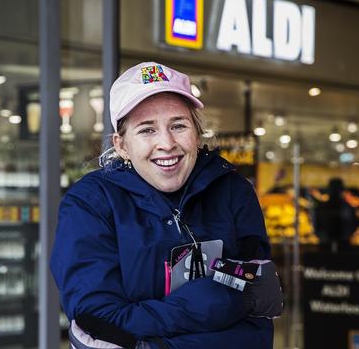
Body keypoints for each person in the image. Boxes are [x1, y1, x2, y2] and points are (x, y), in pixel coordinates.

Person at [50, 62, 282, 349]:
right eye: (147, 130)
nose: (167, 143)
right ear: (122, 145)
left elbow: (260, 303)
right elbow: (97, 321)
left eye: (178, 125)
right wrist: (215, 303)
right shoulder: (91, 203)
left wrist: (149, 340)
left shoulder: (232, 191)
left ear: (196, 134)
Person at [314, 177, 358, 252]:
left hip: (339, 240)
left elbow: (317, 224)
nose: (335, 191)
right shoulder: (346, 206)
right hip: (331, 240)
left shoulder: (345, 206)